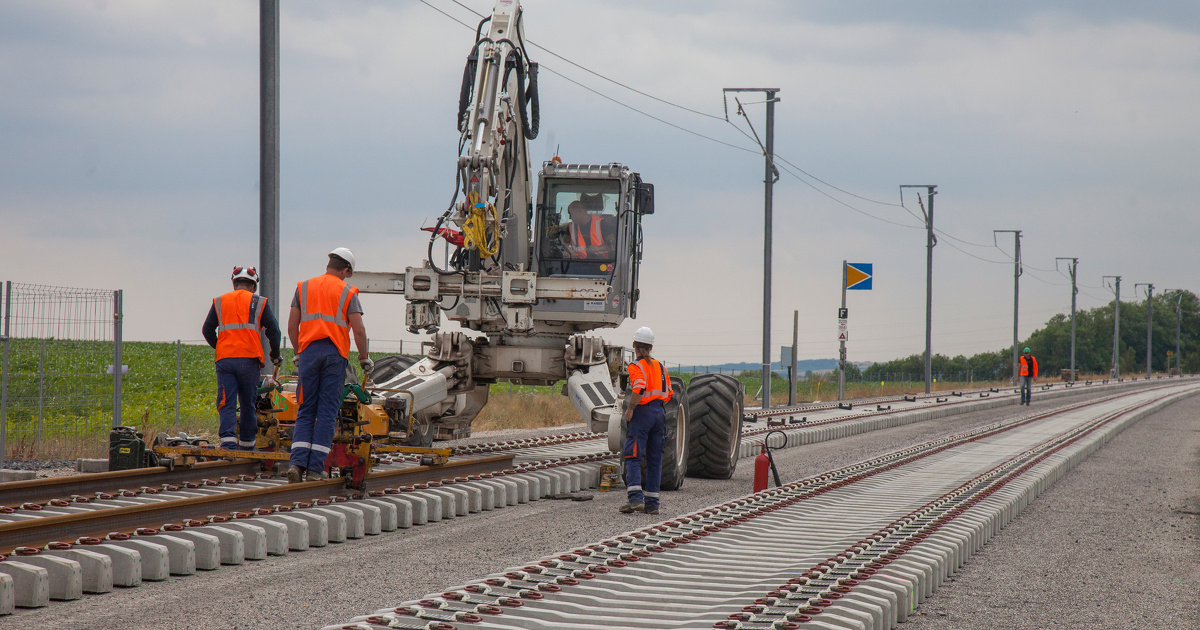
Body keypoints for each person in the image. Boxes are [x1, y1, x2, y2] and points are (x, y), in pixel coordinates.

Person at [286, 247, 373, 483]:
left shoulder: (303, 288)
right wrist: (364, 358)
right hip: (334, 356)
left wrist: (298, 352)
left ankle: (296, 464)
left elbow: (292, 326)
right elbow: (359, 329)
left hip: (308, 354)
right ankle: (315, 469)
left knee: (305, 410)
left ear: (328, 264)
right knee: (326, 413)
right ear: (346, 270)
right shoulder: (347, 292)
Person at [201, 266, 282, 450]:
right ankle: (247, 444)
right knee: (248, 402)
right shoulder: (259, 302)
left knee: (226, 401)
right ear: (253, 286)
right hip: (249, 360)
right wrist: (274, 354)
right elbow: (274, 331)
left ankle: (228, 442)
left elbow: (207, 330)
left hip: (226, 361)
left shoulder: (219, 301)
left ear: (234, 283)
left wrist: (220, 346)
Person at [620, 326, 670, 515]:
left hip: (642, 413)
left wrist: (631, 408)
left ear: (634, 345)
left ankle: (634, 500)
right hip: (659, 413)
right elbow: (669, 393)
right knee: (655, 459)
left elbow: (639, 387)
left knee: (632, 456)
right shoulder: (661, 367)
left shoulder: (635, 366)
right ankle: (652, 504)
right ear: (651, 347)